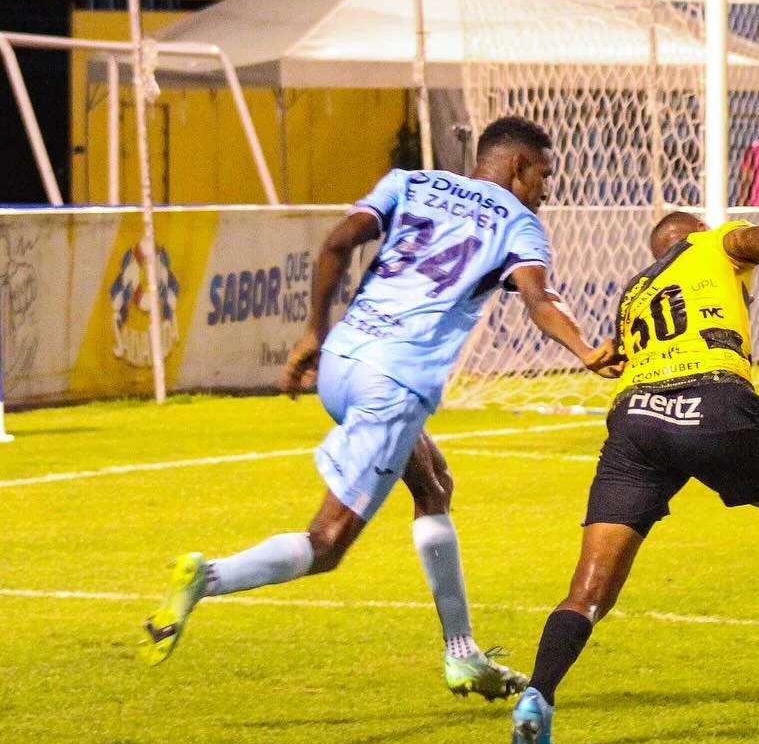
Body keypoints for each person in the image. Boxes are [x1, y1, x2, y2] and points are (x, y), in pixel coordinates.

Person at [142, 117, 621, 695]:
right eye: (544, 175)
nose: (546, 190)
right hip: (394, 383)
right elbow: (539, 299)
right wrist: (585, 349)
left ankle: (462, 652)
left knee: (433, 485)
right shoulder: (519, 223)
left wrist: (313, 333)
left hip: (343, 361)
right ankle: (207, 578)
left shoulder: (409, 183)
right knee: (326, 544)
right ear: (518, 167)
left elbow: (338, 242)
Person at [508, 211, 759, 744]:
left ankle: (538, 694)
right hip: (715, 402)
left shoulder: (636, 290)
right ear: (696, 232)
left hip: (637, 419)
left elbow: (626, 355)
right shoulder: (715, 243)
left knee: (589, 590)